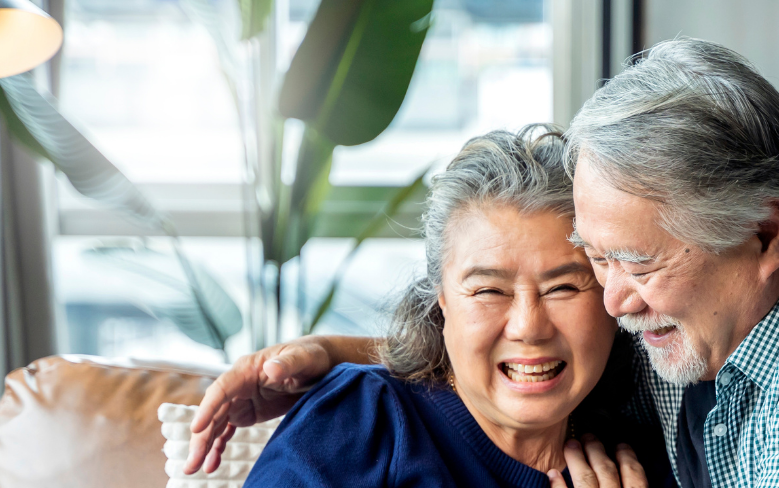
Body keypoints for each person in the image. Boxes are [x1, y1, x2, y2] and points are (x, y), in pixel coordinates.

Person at [192, 38, 779, 487]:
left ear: (766, 233)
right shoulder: (691, 325)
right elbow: (517, 355)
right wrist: (335, 357)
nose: (613, 299)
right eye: (592, 260)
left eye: (630, 261)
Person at [235, 126, 672, 487]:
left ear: (610, 299)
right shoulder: (362, 420)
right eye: (488, 291)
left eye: (561, 287)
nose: (528, 327)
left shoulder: (644, 456)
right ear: (442, 302)